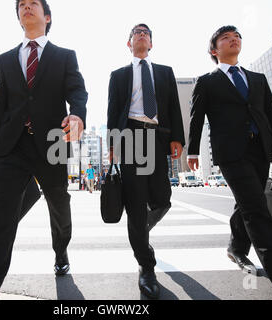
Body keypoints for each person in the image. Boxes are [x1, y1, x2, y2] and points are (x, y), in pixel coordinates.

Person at [0, 0, 87, 300]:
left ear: (47, 16)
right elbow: (1, 104)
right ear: (18, 17)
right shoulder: (5, 58)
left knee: (59, 205)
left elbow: (77, 90)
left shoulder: (65, 56)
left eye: (33, 3)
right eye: (22, 5)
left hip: (53, 142)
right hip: (13, 146)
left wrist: (78, 115)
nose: (26, 6)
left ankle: (61, 250)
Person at [187, 25, 272, 300]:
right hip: (231, 153)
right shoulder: (207, 81)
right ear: (214, 50)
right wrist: (193, 152)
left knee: (247, 202)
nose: (233, 40)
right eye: (225, 38)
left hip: (260, 150)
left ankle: (236, 247)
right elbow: (196, 118)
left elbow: (270, 113)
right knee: (258, 210)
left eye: (237, 37)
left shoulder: (257, 78)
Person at [107, 23, 185, 299]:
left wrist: (178, 138)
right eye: (136, 33)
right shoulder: (118, 75)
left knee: (163, 199)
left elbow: (174, 106)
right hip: (130, 139)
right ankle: (146, 265)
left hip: (157, 139)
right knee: (137, 203)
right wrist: (112, 144)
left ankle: (138, 229)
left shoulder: (164, 72)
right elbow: (113, 110)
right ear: (129, 44)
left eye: (146, 33)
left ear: (151, 44)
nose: (141, 35)